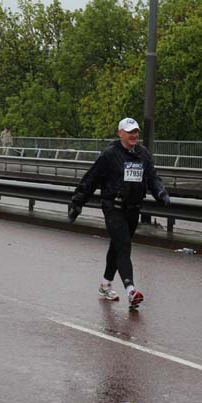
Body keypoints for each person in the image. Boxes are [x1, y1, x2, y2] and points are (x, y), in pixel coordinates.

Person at [68, 117, 170, 309]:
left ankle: (105, 284)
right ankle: (131, 291)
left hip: (133, 209)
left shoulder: (142, 154)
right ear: (120, 133)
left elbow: (153, 178)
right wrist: (77, 203)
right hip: (113, 207)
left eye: (136, 132)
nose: (134, 135)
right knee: (124, 247)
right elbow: (91, 179)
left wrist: (161, 192)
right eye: (130, 131)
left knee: (117, 247)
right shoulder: (109, 155)